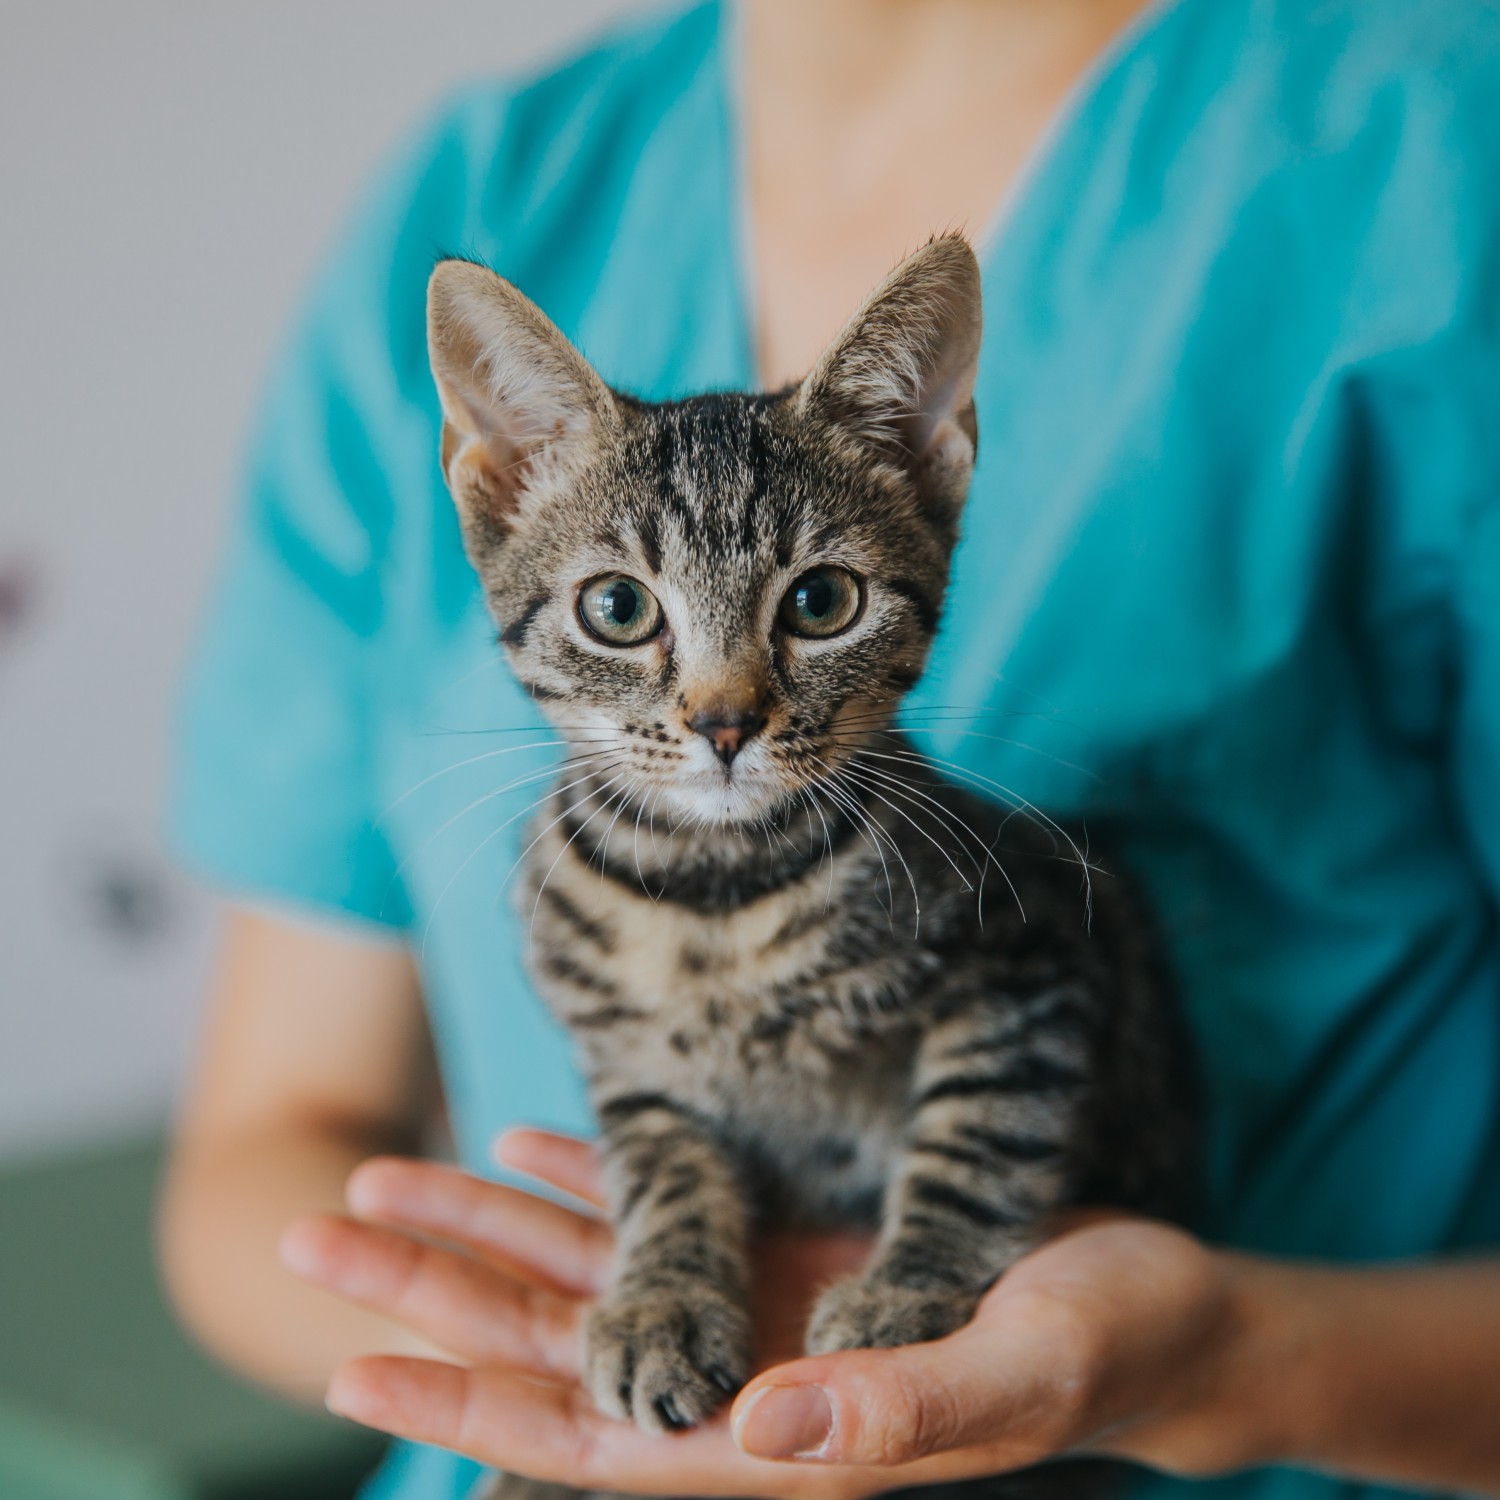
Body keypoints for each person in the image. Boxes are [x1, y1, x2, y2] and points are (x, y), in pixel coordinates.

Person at [158, 1, 1500, 1498]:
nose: (721, 705)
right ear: (502, 486)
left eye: (816, 603)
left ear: (934, 458)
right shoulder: (490, 180)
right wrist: (567, 1371)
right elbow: (262, 1158)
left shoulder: (1434, 144)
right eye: (621, 610)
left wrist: (1224, 1365)